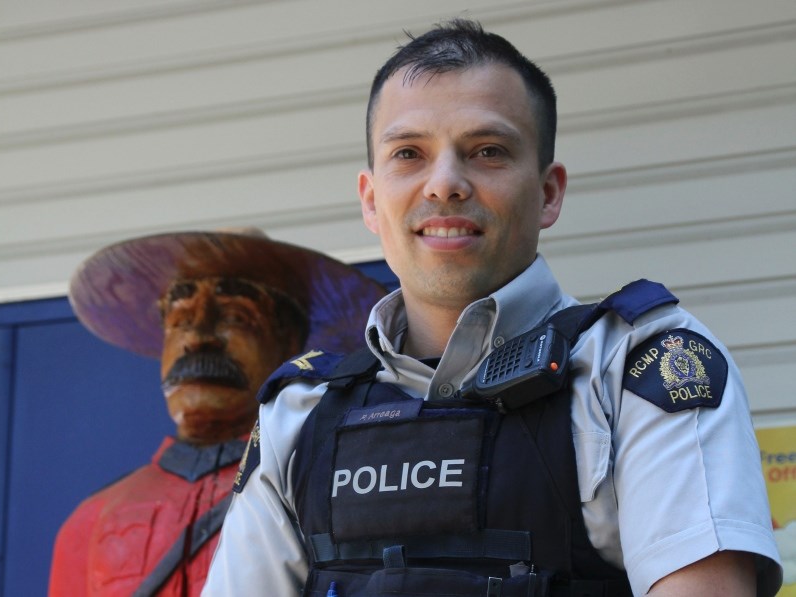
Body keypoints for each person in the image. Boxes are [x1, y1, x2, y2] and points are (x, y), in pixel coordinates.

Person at [202, 20, 783, 597]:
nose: (446, 183)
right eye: (409, 153)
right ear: (372, 201)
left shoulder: (638, 368)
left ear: (549, 192)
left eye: (487, 151)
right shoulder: (299, 416)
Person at [48, 228, 385, 596]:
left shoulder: (331, 494)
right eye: (180, 321)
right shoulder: (90, 520)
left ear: (289, 340)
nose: (197, 339)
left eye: (235, 318)